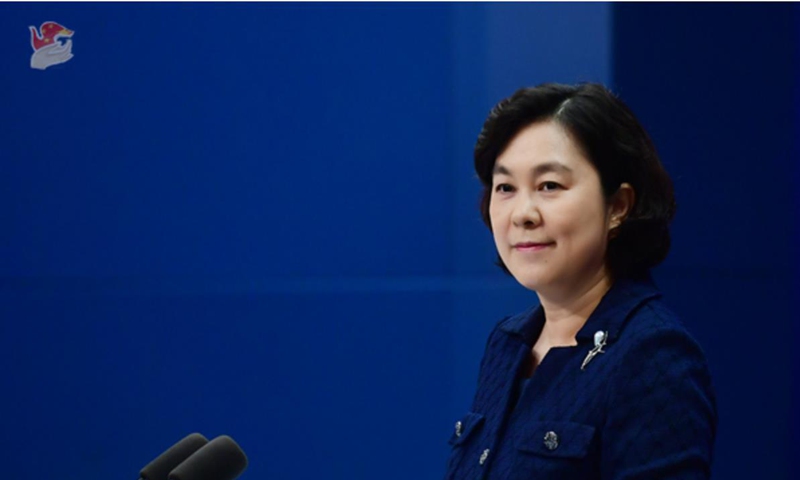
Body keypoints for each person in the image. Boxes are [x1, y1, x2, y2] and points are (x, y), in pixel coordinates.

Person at [444, 83, 717, 479]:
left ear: (618, 206)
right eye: (505, 188)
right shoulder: (508, 343)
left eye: (549, 186)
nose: (522, 213)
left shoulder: (652, 355)